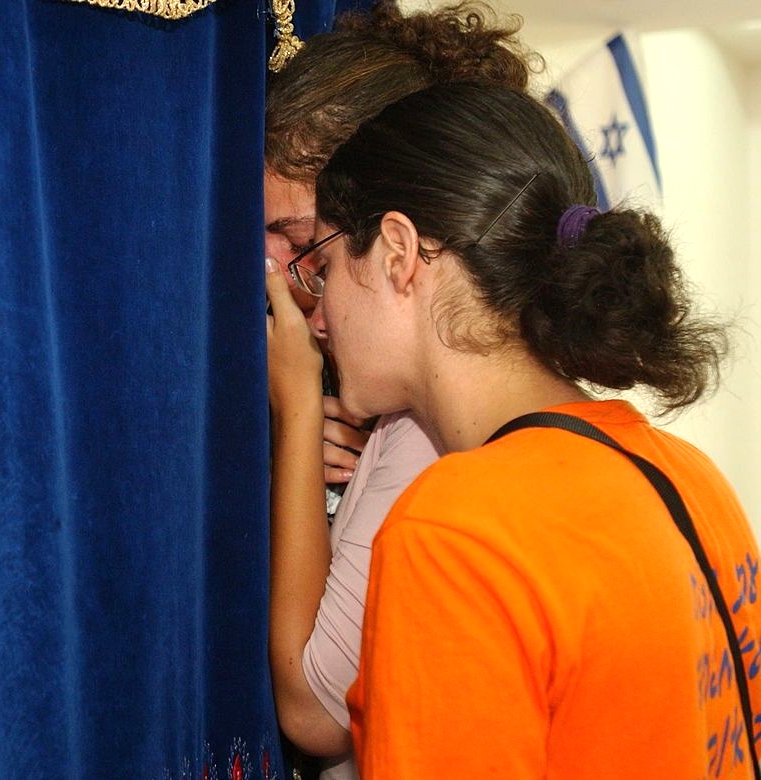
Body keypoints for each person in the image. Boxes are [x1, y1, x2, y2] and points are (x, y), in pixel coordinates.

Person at [267, 80, 761, 777]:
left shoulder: (453, 529)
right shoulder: (690, 475)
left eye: (324, 265)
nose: (319, 314)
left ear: (398, 254)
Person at [262, 4, 535, 777]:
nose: (276, 270)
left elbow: (318, 713)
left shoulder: (432, 438)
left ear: (393, 242)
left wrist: (297, 413)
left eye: (305, 244)